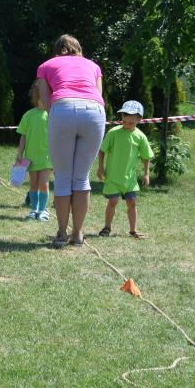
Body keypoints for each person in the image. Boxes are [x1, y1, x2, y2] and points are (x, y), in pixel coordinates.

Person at [36, 34, 104, 248]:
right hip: (94, 111)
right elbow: (98, 94)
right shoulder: (93, 66)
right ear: (78, 49)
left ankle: (61, 233)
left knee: (63, 177)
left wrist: (58, 117)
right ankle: (78, 234)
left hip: (63, 107)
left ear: (57, 51)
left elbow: (46, 100)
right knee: (82, 178)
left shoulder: (46, 66)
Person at [97, 100, 153, 239]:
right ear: (121, 116)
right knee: (113, 201)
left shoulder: (140, 137)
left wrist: (146, 173)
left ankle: (133, 230)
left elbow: (146, 156)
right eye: (124, 121)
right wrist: (100, 167)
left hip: (129, 179)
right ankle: (107, 227)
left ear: (139, 120)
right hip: (113, 177)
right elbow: (102, 150)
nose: (127, 125)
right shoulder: (113, 133)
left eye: (131, 123)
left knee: (131, 203)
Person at [15, 82, 53, 221]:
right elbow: (23, 136)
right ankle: (34, 210)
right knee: (33, 184)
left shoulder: (52, 115)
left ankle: (42, 210)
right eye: (42, 96)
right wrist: (20, 153)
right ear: (36, 97)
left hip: (47, 157)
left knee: (44, 183)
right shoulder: (28, 115)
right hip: (31, 157)